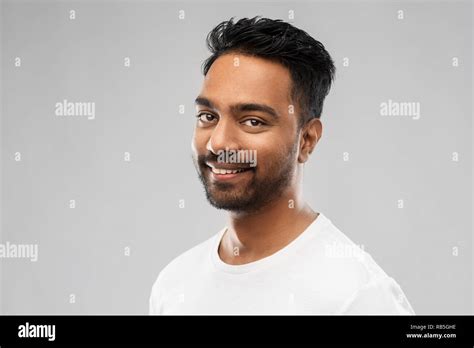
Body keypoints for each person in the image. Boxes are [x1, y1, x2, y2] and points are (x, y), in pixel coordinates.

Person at [149, 16, 415, 315]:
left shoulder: (355, 296)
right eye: (208, 117)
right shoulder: (175, 285)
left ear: (307, 140)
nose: (218, 143)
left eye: (253, 121)